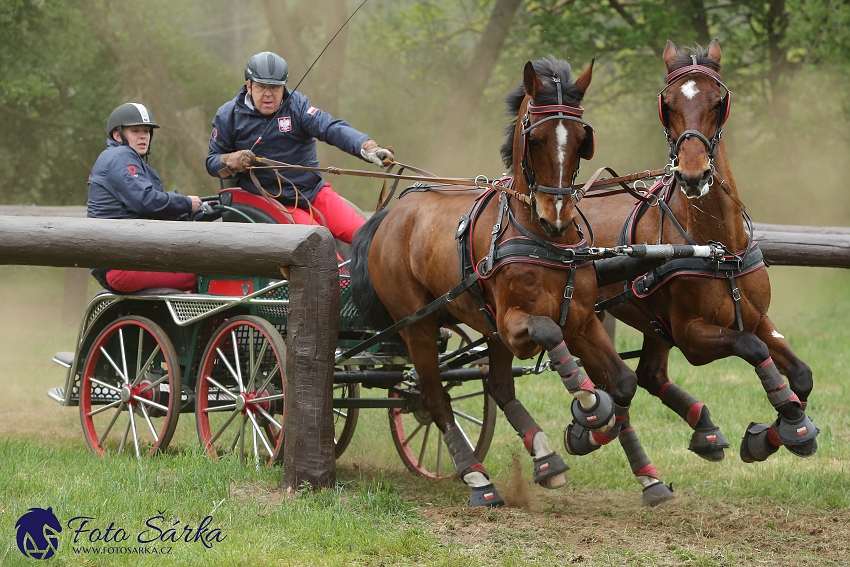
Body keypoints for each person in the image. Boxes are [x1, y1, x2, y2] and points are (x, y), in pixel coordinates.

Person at [205, 51, 393, 244]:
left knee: (365, 238)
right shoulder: (228, 115)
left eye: (275, 87)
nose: (268, 94)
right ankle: (342, 274)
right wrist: (229, 160)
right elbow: (211, 161)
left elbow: (331, 127)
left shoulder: (298, 107)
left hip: (312, 192)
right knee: (318, 242)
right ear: (249, 86)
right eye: (261, 87)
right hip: (269, 201)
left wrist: (367, 147)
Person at [88, 102, 202, 293]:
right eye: (135, 131)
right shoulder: (119, 156)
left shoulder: (137, 165)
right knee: (206, 274)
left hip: (133, 257)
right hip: (122, 265)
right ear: (118, 135)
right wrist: (186, 203)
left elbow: (156, 214)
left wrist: (198, 213)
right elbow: (146, 201)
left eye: (147, 131)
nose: (143, 136)